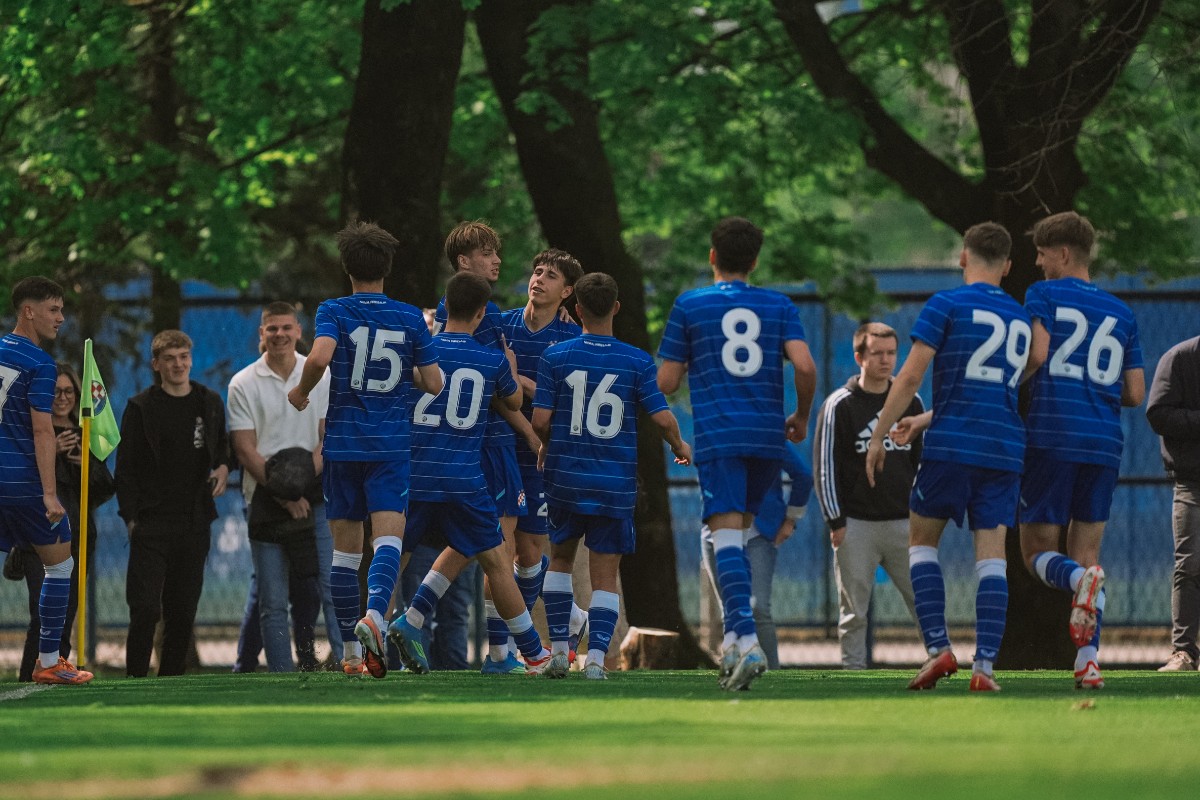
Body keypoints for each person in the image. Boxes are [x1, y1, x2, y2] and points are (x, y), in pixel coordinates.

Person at [864, 222, 1034, 693]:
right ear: (1009, 266)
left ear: (963, 257)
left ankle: (939, 649)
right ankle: (985, 667)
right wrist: (923, 420)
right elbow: (987, 391)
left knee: (921, 542)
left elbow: (910, 377)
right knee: (993, 558)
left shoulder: (946, 305)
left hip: (953, 446)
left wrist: (880, 434)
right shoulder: (1020, 319)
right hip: (1003, 448)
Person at [657, 216, 816, 691]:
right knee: (743, 537)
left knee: (724, 537)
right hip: (767, 437)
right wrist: (801, 416)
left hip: (720, 436)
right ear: (755, 261)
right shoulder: (778, 304)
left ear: (712, 257)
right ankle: (732, 640)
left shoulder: (691, 304)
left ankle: (746, 641)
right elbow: (804, 366)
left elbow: (666, 381)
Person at [288, 220, 441, 679]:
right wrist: (405, 375)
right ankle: (376, 614)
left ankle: (353, 655)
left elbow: (318, 358)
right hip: (391, 444)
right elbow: (433, 382)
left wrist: (300, 392)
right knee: (389, 540)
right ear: (387, 267)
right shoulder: (410, 316)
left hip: (343, 443)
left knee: (345, 554)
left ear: (346, 267)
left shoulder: (334, 309)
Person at [386, 272, 551, 675]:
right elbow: (512, 398)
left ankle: (370, 635)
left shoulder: (418, 352)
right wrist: (508, 366)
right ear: (481, 313)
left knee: (393, 558)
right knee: (497, 560)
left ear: (445, 305)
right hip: (463, 479)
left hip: (415, 475)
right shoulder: (489, 358)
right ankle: (533, 652)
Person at [532, 272, 691, 680]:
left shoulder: (555, 357)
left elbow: (541, 419)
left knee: (560, 561)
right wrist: (679, 445)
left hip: (565, 478)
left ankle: (559, 654)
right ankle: (598, 662)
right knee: (605, 575)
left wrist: (548, 444)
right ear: (616, 308)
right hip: (613, 483)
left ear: (576, 309)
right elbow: (662, 416)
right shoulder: (636, 360)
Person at [1017, 212, 1144, 689]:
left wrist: (1007, 389)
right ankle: (1088, 662)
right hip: (1105, 441)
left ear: (1063, 254)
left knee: (1036, 553)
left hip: (1052, 433)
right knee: (1088, 554)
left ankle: (1079, 584)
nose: (1037, 261)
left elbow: (1037, 354)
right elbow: (1134, 392)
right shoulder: (1123, 313)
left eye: (1042, 253)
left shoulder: (1043, 294)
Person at [228, 301, 337, 673]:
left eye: (286, 328)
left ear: (299, 331)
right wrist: (285, 494)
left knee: (328, 588)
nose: (279, 335)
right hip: (262, 499)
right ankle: (280, 678)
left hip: (316, 498)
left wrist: (302, 488)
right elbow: (245, 450)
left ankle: (347, 663)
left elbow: (327, 440)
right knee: (272, 598)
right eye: (271, 328)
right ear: (261, 334)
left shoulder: (320, 375)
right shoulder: (242, 383)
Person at [116, 329, 232, 678]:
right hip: (150, 523)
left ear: (191, 360)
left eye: (183, 357)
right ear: (156, 364)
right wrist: (131, 518)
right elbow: (126, 467)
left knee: (182, 610)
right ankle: (135, 676)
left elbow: (223, 447)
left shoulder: (208, 402)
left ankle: (170, 679)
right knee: (146, 607)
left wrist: (224, 467)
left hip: (193, 521)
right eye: (170, 358)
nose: (178, 364)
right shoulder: (140, 408)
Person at [812, 322, 921, 670]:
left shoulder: (911, 401)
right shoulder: (839, 405)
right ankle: (853, 676)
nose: (886, 360)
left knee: (925, 603)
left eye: (891, 353)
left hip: (905, 522)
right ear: (859, 356)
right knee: (853, 613)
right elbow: (825, 466)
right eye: (877, 354)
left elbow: (924, 461)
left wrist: (922, 515)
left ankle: (939, 662)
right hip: (856, 525)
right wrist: (836, 521)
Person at [0, 277, 92, 684]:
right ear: (29, 311)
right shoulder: (40, 363)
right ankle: (50, 661)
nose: (61, 318)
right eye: (53, 309)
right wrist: (51, 495)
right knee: (61, 565)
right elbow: (42, 432)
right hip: (21, 483)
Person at [499, 249, 589, 659]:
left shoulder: (572, 338)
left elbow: (571, 402)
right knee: (505, 549)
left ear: (567, 291)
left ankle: (525, 644)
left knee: (530, 548)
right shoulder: (502, 325)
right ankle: (563, 621)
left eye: (551, 276)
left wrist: (521, 381)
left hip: (545, 454)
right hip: (500, 447)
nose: (539, 279)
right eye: (536, 271)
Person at [10, 362, 115, 681]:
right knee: (43, 616)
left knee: (66, 615)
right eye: (55, 391)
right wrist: (53, 452)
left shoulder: (86, 433)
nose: (62, 397)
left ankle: (58, 671)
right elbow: (18, 481)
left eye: (69, 391)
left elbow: (105, 489)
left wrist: (86, 462)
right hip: (38, 537)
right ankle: (30, 676)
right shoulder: (31, 433)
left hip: (78, 535)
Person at [700, 443, 810, 671]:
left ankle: (771, 672)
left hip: (759, 535)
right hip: (716, 535)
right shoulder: (717, 433)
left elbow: (803, 475)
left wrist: (790, 520)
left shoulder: (764, 433)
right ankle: (735, 668)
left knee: (758, 608)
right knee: (729, 607)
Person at [1147, 335, 1200, 672]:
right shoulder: (1180, 357)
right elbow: (1158, 414)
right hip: (1193, 482)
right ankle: (1184, 652)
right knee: (1190, 564)